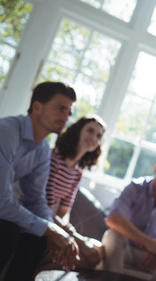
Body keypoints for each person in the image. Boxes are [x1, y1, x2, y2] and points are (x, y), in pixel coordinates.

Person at [0, 81, 79, 280]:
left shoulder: (43, 149)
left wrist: (50, 229)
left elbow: (36, 200)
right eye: (61, 109)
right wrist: (49, 229)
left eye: (68, 113)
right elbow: (1, 202)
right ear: (37, 107)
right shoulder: (7, 132)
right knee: (7, 232)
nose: (65, 117)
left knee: (38, 237)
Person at [42, 115, 107, 270]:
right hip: (38, 218)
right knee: (82, 250)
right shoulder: (54, 158)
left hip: (54, 222)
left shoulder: (77, 172)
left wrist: (74, 236)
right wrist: (77, 240)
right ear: (78, 131)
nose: (94, 137)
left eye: (99, 135)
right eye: (90, 131)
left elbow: (64, 211)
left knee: (99, 249)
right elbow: (45, 209)